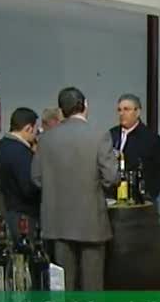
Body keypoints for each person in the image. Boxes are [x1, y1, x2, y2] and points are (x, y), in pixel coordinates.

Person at [32, 87, 118, 290]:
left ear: (61, 111)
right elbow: (111, 177)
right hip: (91, 221)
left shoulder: (46, 139)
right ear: (85, 105)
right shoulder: (99, 136)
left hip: (58, 222)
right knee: (92, 287)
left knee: (63, 286)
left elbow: (36, 178)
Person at [0, 107, 40, 238]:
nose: (36, 135)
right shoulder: (22, 152)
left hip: (5, 209)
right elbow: (29, 188)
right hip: (25, 216)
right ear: (28, 128)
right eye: (36, 130)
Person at [109, 93, 160, 201]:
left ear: (137, 112)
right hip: (113, 197)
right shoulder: (111, 135)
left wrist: (149, 195)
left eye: (126, 109)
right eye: (119, 110)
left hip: (140, 199)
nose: (122, 113)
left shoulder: (150, 138)